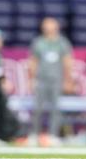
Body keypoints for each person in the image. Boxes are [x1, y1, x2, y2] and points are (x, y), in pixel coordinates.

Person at [29, 17, 73, 145]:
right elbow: (33, 62)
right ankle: (34, 134)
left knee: (55, 109)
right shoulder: (38, 42)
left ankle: (53, 135)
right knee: (37, 108)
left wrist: (68, 80)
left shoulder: (62, 43)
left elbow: (67, 62)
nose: (48, 29)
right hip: (41, 79)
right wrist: (31, 79)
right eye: (46, 26)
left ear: (56, 27)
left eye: (50, 26)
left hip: (56, 80)